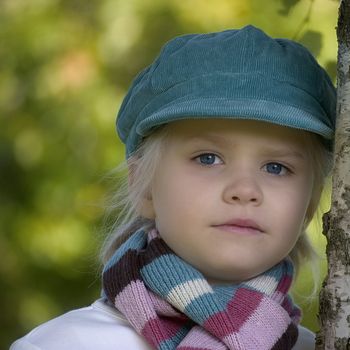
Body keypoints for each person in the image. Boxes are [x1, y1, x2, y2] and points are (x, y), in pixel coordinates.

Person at [10, 25, 336, 350]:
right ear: (144, 187)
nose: (245, 190)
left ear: (308, 206)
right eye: (208, 158)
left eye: (276, 167)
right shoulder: (66, 344)